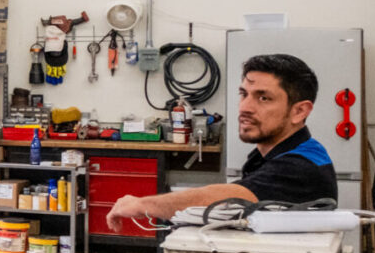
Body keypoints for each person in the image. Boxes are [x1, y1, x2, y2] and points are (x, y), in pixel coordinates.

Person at [107, 53, 336, 231]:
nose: (245, 107)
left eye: (263, 98)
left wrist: (142, 205)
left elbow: (228, 198)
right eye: (244, 94)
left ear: (299, 111)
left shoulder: (302, 166)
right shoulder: (272, 154)